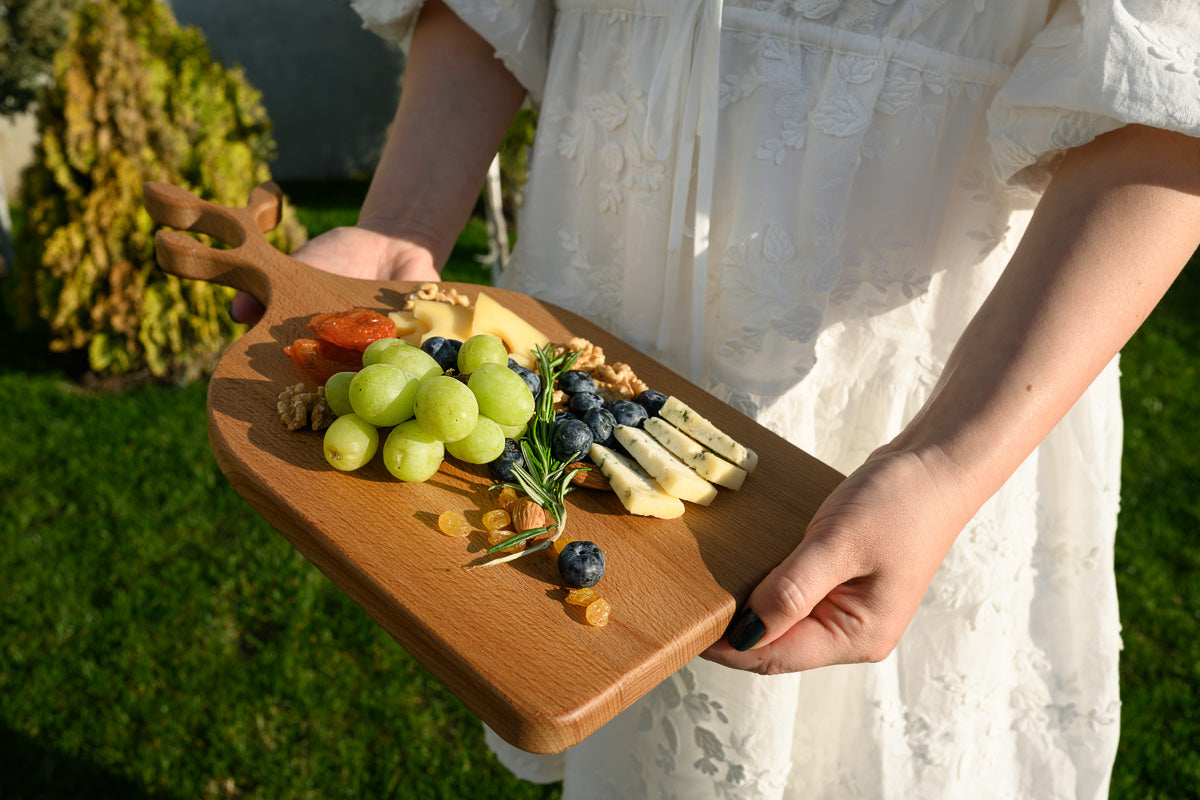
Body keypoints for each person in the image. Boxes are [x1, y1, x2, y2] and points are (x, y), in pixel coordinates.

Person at [235, 1, 1200, 796]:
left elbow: (1170, 88)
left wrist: (945, 462)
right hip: (602, 310)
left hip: (915, 391)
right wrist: (404, 224)